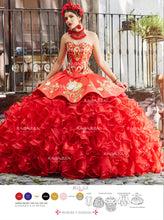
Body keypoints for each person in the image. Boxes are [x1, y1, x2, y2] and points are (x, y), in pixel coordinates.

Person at [0, 2, 163, 179]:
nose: (68, 21)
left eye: (71, 17)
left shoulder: (92, 36)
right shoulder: (65, 38)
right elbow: (58, 63)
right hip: (67, 79)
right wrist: (45, 81)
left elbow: (101, 62)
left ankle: (91, 161)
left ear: (80, 17)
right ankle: (61, 160)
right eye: (66, 18)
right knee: (57, 115)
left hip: (87, 78)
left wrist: (116, 80)